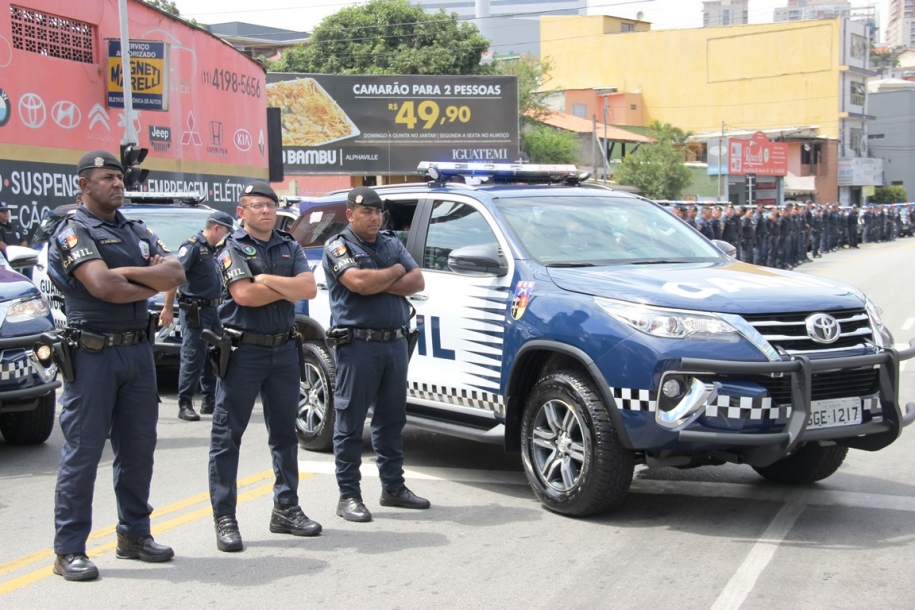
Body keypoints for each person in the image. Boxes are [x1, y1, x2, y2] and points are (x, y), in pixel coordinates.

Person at [48, 150, 186, 581]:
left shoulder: (135, 228)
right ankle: (69, 549)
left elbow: (176, 273)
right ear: (84, 185)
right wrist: (141, 276)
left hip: (137, 354)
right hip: (92, 354)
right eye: (107, 177)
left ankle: (134, 535)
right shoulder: (72, 232)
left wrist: (124, 273)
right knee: (84, 453)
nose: (118, 183)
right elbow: (102, 287)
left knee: (139, 449)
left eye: (120, 177)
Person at [208, 181, 320, 552]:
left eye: (270, 205)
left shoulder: (290, 245)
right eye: (257, 205)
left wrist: (269, 280)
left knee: (286, 434)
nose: (266, 211)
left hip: (284, 349)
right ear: (241, 212)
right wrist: (285, 287)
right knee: (228, 437)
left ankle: (286, 508)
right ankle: (226, 518)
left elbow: (308, 289)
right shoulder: (230, 248)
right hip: (244, 352)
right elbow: (244, 295)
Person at [323, 186, 429, 523]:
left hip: (394, 343)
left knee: (391, 421)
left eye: (377, 211)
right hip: (358, 345)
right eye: (366, 212)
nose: (374, 217)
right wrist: (396, 271)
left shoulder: (391, 243)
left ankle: (393, 488)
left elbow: (418, 281)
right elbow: (358, 282)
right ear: (350, 214)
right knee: (351, 422)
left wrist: (382, 278)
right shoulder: (338, 245)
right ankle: (349, 496)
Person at [161, 211, 235, 421]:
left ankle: (209, 400)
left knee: (214, 355)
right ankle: (185, 403)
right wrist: (167, 308)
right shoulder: (192, 247)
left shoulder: (217, 250)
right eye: (226, 231)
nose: (227, 236)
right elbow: (175, 278)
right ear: (216, 228)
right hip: (195, 310)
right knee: (193, 356)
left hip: (215, 310)